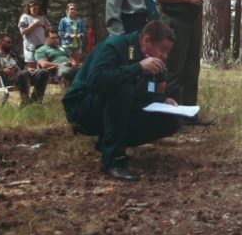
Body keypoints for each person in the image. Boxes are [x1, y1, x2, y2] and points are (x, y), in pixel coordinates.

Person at [62, 20, 180, 181]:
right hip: (84, 107)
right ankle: (112, 161)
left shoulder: (145, 56)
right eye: (163, 49)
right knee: (122, 87)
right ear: (146, 40)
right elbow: (96, 81)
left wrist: (163, 99)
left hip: (115, 106)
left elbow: (143, 93)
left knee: (169, 121)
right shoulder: (116, 46)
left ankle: (108, 142)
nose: (164, 56)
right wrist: (137, 67)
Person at [0, 34, 49, 106]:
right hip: (4, 79)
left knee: (43, 72)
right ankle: (25, 102)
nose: (10, 44)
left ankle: (35, 101)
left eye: (11, 42)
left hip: (21, 76)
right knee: (23, 73)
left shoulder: (13, 54)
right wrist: (2, 70)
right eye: (8, 42)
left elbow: (23, 65)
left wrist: (28, 68)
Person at [18, 0, 51, 70]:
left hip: (42, 46)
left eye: (37, 8)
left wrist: (43, 25)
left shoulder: (42, 17)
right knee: (31, 67)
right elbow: (22, 32)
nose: (36, 10)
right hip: (30, 47)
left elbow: (50, 29)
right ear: (29, 8)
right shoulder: (25, 17)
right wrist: (34, 24)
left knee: (43, 66)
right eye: (34, 8)